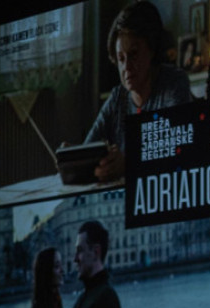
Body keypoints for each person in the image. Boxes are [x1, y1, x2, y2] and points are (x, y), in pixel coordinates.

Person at [84, 1, 194, 182]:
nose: (126, 66)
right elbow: (89, 147)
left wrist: (128, 162)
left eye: (133, 54)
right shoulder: (117, 98)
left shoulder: (174, 83)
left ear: (151, 49)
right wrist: (75, 158)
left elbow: (176, 147)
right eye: (120, 59)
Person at [58, 220, 122, 308]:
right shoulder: (85, 297)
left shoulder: (106, 299)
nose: (75, 259)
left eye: (80, 250)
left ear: (95, 252)